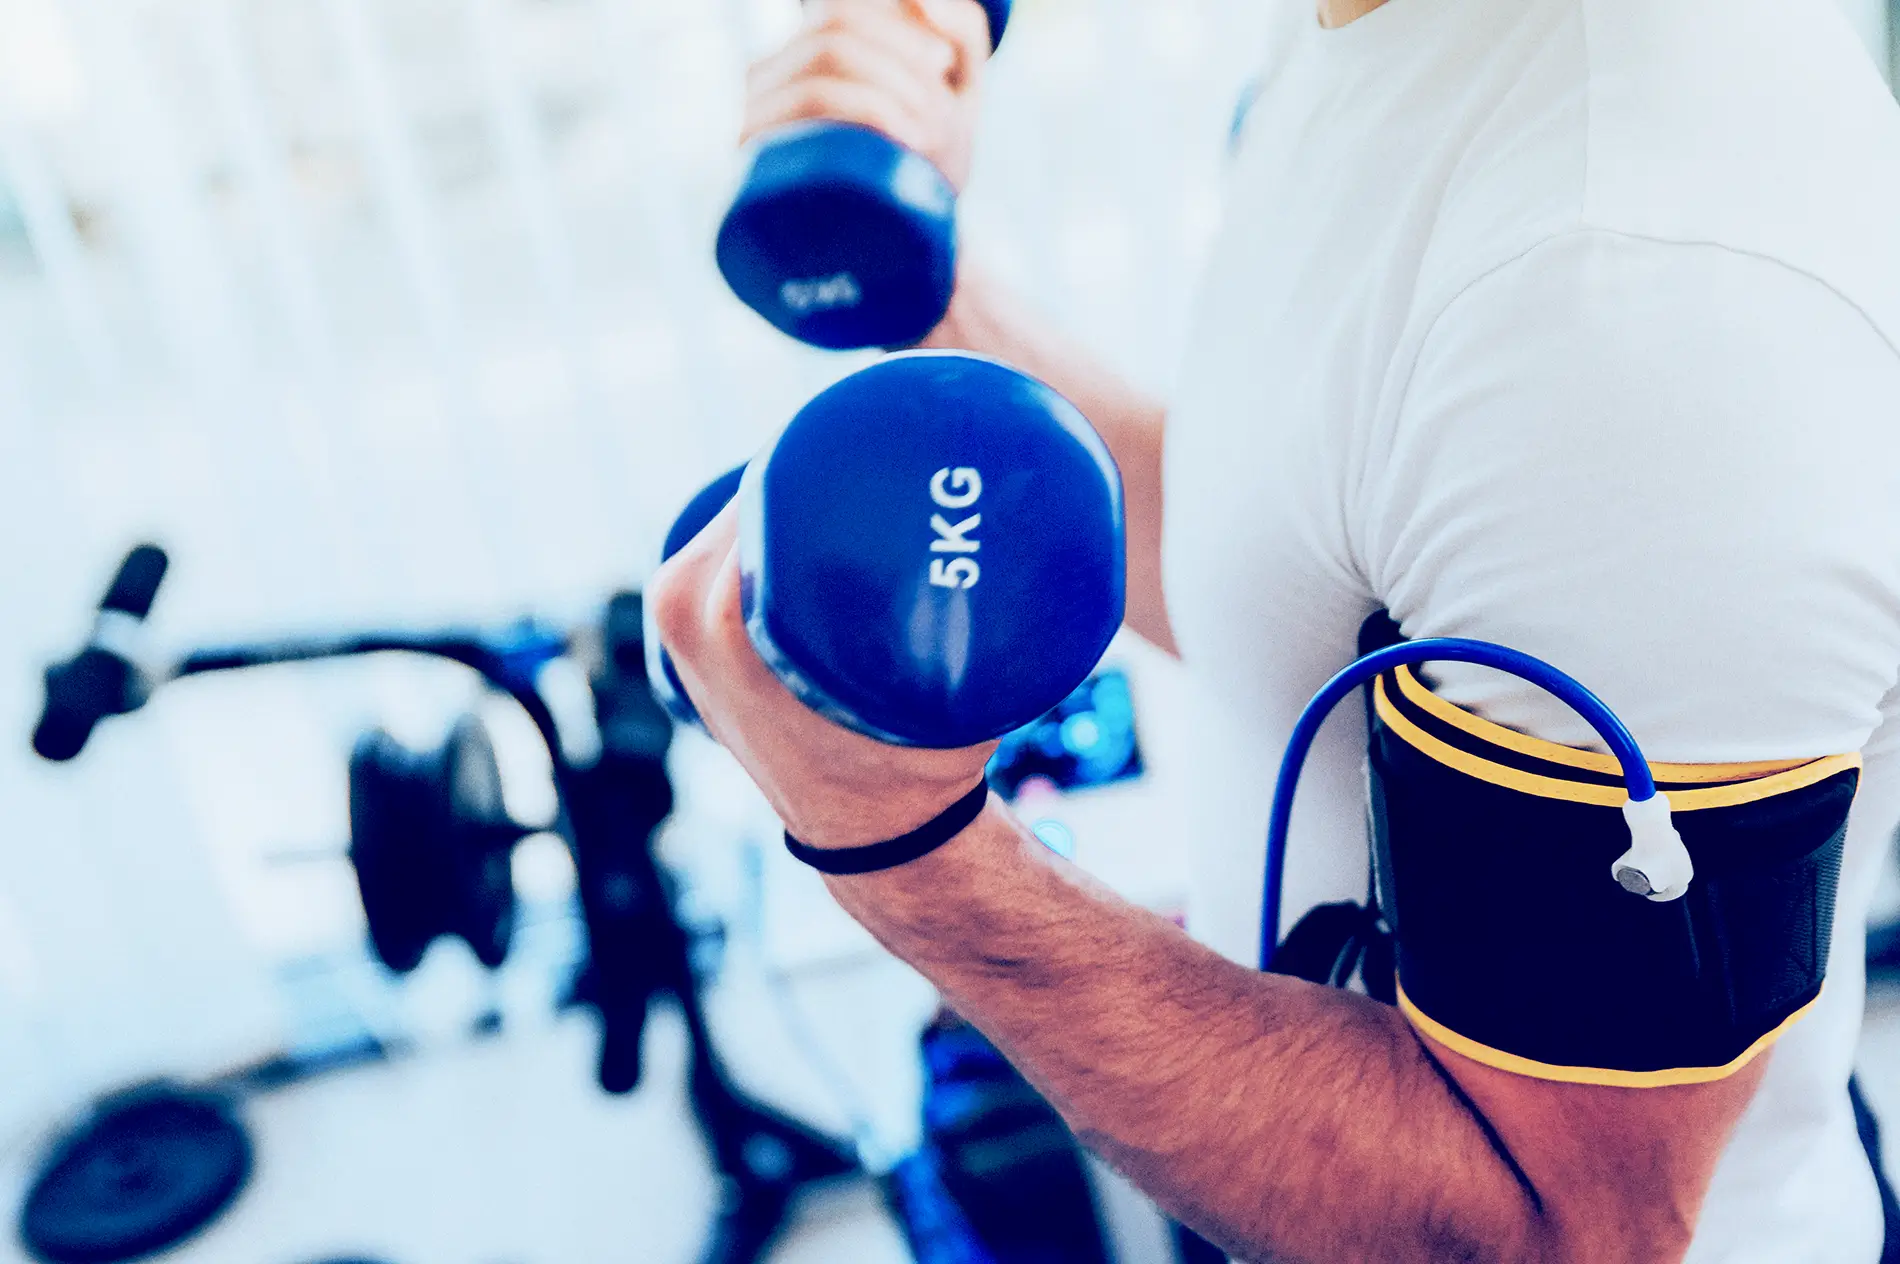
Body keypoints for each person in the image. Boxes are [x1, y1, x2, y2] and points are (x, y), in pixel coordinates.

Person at [655, 0, 1900, 1258]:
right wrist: (927, 289)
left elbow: (1549, 1228)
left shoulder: (1635, 302)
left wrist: (905, 847)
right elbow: (1292, 570)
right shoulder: (1371, 33)